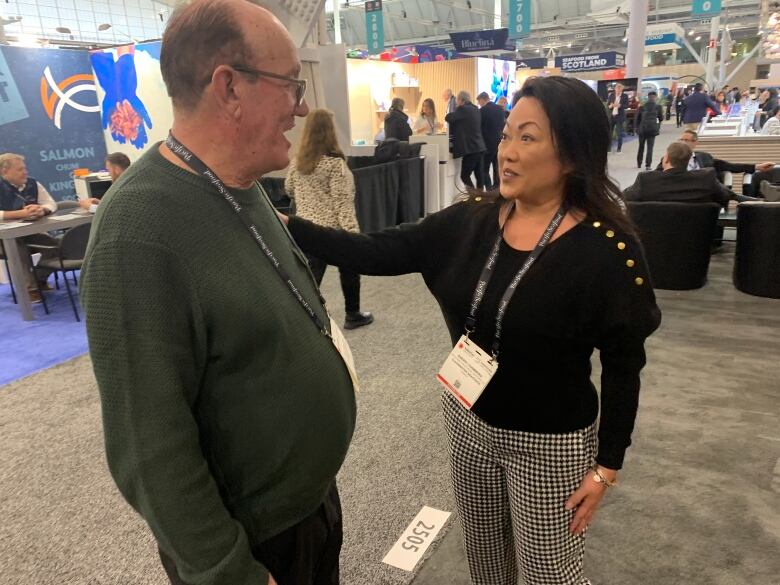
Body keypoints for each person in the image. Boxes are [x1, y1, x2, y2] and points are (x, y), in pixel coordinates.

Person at [284, 75, 662, 585]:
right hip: (467, 420)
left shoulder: (608, 251)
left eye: (528, 137)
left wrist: (607, 465)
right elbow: (377, 251)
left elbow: (623, 365)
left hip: (548, 442)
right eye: (507, 134)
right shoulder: (472, 220)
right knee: (485, 560)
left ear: (572, 153)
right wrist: (286, 227)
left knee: (549, 573)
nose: (507, 151)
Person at [80, 3, 356, 585]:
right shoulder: (137, 229)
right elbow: (149, 447)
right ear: (229, 87)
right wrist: (227, 572)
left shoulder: (244, 186)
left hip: (307, 510)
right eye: (290, 85)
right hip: (253, 547)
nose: (302, 105)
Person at [285, 108, 374, 330]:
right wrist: (354, 236)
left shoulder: (297, 162)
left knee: (309, 279)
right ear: (330, 132)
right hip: (330, 232)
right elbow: (343, 203)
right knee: (349, 269)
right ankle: (353, 315)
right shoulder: (335, 165)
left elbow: (289, 189)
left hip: (304, 228)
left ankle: (301, 319)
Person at [0, 153, 97, 300]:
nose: (25, 172)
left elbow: (51, 203)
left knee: (54, 247)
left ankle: (38, 279)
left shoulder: (33, 183)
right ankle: (30, 289)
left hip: (31, 233)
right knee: (18, 248)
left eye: (24, 168)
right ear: (5, 172)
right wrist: (19, 213)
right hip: (4, 239)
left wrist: (42, 210)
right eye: (20, 170)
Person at [624, 142, 732, 206]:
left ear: (665, 159)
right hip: (697, 239)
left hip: (652, 239)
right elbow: (723, 198)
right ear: (688, 160)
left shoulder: (646, 181)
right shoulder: (706, 179)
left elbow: (626, 197)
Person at [445, 90, 486, 189]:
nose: (456, 103)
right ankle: (480, 199)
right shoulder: (476, 109)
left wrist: (455, 110)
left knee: (464, 176)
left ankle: (473, 198)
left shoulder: (462, 109)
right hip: (480, 147)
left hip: (470, 148)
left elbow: (449, 118)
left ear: (460, 100)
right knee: (479, 176)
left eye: (457, 101)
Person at [477, 91, 506, 190]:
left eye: (479, 102)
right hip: (499, 142)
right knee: (497, 168)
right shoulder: (500, 110)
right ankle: (497, 188)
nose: (479, 104)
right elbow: (503, 126)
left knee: (484, 169)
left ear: (483, 99)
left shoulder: (482, 111)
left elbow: (479, 128)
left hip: (487, 145)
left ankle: (489, 190)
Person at [635, 92, 663, 171]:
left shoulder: (642, 107)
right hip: (652, 130)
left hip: (642, 129)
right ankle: (648, 165)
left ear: (648, 97)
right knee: (650, 148)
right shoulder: (658, 107)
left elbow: (637, 119)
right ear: (655, 97)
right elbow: (661, 118)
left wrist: (637, 129)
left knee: (641, 146)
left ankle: (639, 163)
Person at [606, 82, 628, 152]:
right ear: (615, 89)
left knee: (619, 133)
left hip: (619, 117)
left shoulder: (625, 96)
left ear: (622, 90)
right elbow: (608, 105)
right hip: (612, 116)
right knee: (610, 132)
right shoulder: (611, 95)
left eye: (620, 89)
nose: (618, 90)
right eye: (617, 89)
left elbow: (626, 106)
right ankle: (608, 148)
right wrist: (611, 106)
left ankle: (619, 149)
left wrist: (620, 105)